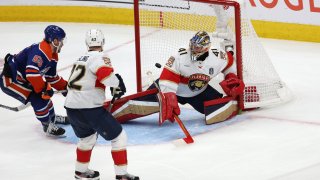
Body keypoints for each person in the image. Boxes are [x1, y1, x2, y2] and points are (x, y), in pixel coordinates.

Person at [64, 29, 139, 180]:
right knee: (119, 137)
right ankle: (122, 175)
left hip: (71, 107)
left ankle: (80, 172)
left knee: (87, 139)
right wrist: (117, 84)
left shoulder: (80, 58)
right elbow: (107, 78)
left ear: (87, 43)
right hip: (89, 108)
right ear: (103, 42)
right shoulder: (101, 57)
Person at [157, 30, 244, 124]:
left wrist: (230, 76)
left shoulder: (217, 56)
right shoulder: (180, 55)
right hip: (175, 91)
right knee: (145, 102)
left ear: (206, 48)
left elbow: (229, 63)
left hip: (199, 93)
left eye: (197, 47)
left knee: (216, 109)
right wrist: (168, 95)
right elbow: (167, 77)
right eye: (192, 45)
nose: (193, 49)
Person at [0, 25, 69, 136]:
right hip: (10, 81)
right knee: (38, 98)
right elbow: (31, 73)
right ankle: (47, 125)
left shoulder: (53, 55)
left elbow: (51, 77)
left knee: (44, 96)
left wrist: (65, 87)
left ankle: (53, 118)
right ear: (55, 41)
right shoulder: (40, 51)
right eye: (61, 41)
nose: (62, 44)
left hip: (23, 80)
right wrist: (43, 89)